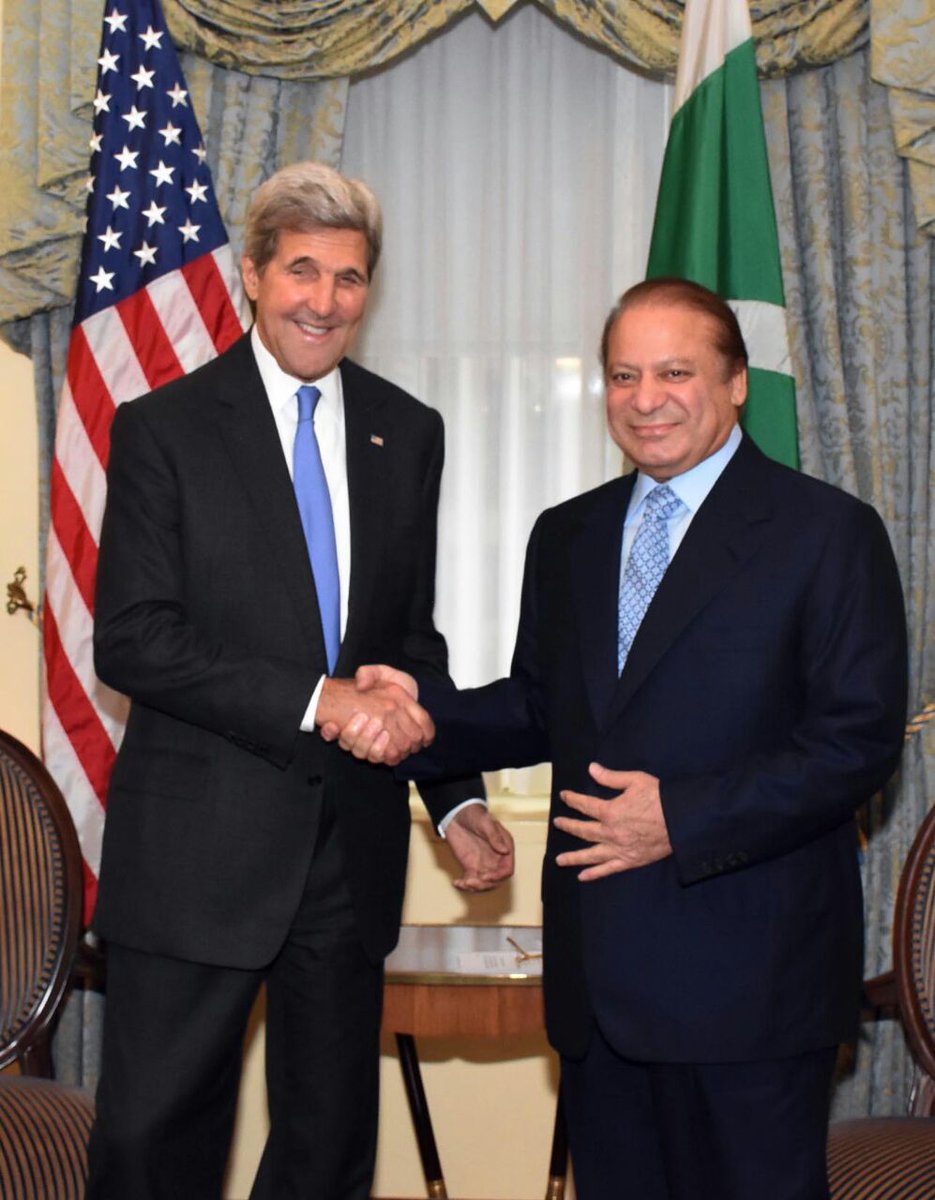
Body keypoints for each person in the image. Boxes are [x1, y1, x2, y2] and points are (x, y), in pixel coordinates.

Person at [329, 278, 909, 1199]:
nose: (645, 398)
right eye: (623, 374)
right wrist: (421, 714)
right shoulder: (569, 535)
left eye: (675, 372)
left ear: (735, 383)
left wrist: (679, 817)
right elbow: (537, 705)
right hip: (600, 993)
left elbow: (856, 741)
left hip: (750, 993)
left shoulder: (825, 532)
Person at [86, 161, 514, 1200]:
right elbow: (132, 640)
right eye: (303, 271)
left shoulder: (406, 431)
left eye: (350, 277)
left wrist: (453, 794)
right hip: (196, 859)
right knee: (156, 1152)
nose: (324, 301)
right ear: (253, 274)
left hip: (348, 857)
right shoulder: (164, 428)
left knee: (326, 1159)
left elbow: (406, 640)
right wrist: (320, 701)